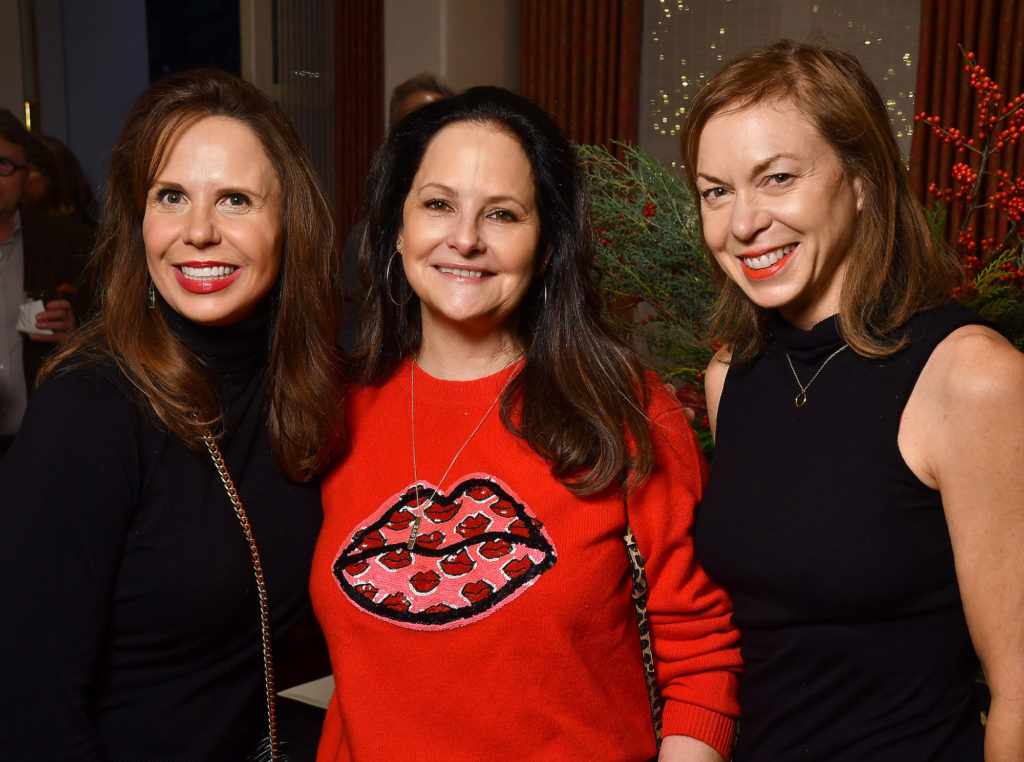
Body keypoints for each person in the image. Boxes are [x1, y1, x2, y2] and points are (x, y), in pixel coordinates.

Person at [311, 86, 741, 762]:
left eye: (502, 214)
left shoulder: (625, 411)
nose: (465, 238)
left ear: (545, 246)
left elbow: (701, 657)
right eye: (438, 204)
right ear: (395, 226)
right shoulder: (337, 411)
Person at [683, 40, 1024, 760]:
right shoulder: (729, 377)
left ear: (863, 180)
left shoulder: (971, 377)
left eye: (777, 178)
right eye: (716, 191)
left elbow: (1020, 686)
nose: (742, 224)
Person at [0, 69, 344, 759]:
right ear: (139, 220)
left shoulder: (311, 387)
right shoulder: (90, 407)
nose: (198, 232)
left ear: (290, 222)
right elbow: (28, 710)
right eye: (171, 196)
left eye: (236, 199)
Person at [340, 72, 457, 352]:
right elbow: (352, 342)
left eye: (438, 122)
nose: (426, 134)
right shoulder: (365, 239)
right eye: (411, 124)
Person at [0, 109, 92, 457]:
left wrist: (77, 337)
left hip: (50, 445)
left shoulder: (71, 243)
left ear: (26, 172)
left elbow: (120, 340)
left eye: (3, 163)